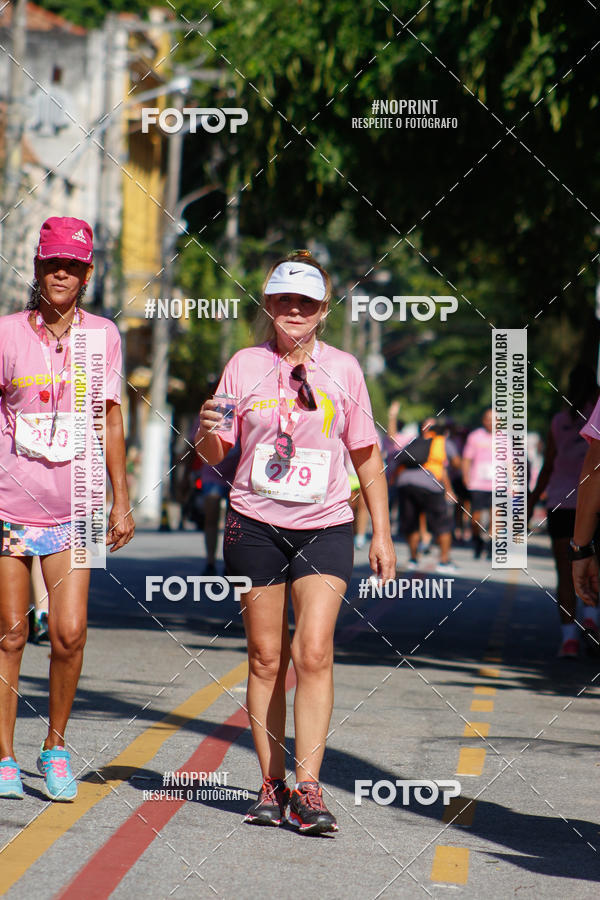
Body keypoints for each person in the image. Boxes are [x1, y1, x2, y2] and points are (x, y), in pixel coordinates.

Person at [195, 250, 395, 834]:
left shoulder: (345, 370)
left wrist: (381, 531)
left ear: (323, 309)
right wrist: (207, 432)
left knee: (312, 652)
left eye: (306, 302)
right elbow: (216, 454)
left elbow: (365, 453)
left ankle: (308, 788)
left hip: (327, 522)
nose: (294, 311)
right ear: (269, 304)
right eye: (284, 300)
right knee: (264, 657)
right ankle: (270, 783)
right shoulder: (244, 365)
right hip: (254, 524)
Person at [0, 217, 134, 801]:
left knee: (70, 633)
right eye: (53, 262)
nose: (63, 272)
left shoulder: (102, 336)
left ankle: (54, 749)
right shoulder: (7, 334)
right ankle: (3, 756)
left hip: (77, 507)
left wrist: (121, 499)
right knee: (7, 633)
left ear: (88, 274)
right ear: (37, 268)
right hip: (8, 504)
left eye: (74, 265)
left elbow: (110, 416)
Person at [529, 366, 599, 657]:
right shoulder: (593, 414)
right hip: (594, 505)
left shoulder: (559, 421)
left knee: (566, 572)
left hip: (560, 502)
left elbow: (548, 466)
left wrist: (532, 499)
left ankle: (569, 639)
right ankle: (592, 620)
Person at [395, 418, 460, 572]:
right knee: (442, 524)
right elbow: (455, 464)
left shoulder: (413, 443)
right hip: (430, 485)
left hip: (405, 483)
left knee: (412, 523)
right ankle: (444, 561)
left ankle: (413, 559)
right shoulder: (443, 442)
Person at [462, 409, 494, 558]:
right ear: (483, 420)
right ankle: (478, 540)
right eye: (488, 419)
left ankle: (491, 545)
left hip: (498, 485)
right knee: (476, 519)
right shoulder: (475, 437)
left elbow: (511, 463)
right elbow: (467, 458)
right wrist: (465, 476)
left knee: (497, 518)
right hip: (478, 484)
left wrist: (514, 483)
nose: (491, 422)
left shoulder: (506, 439)